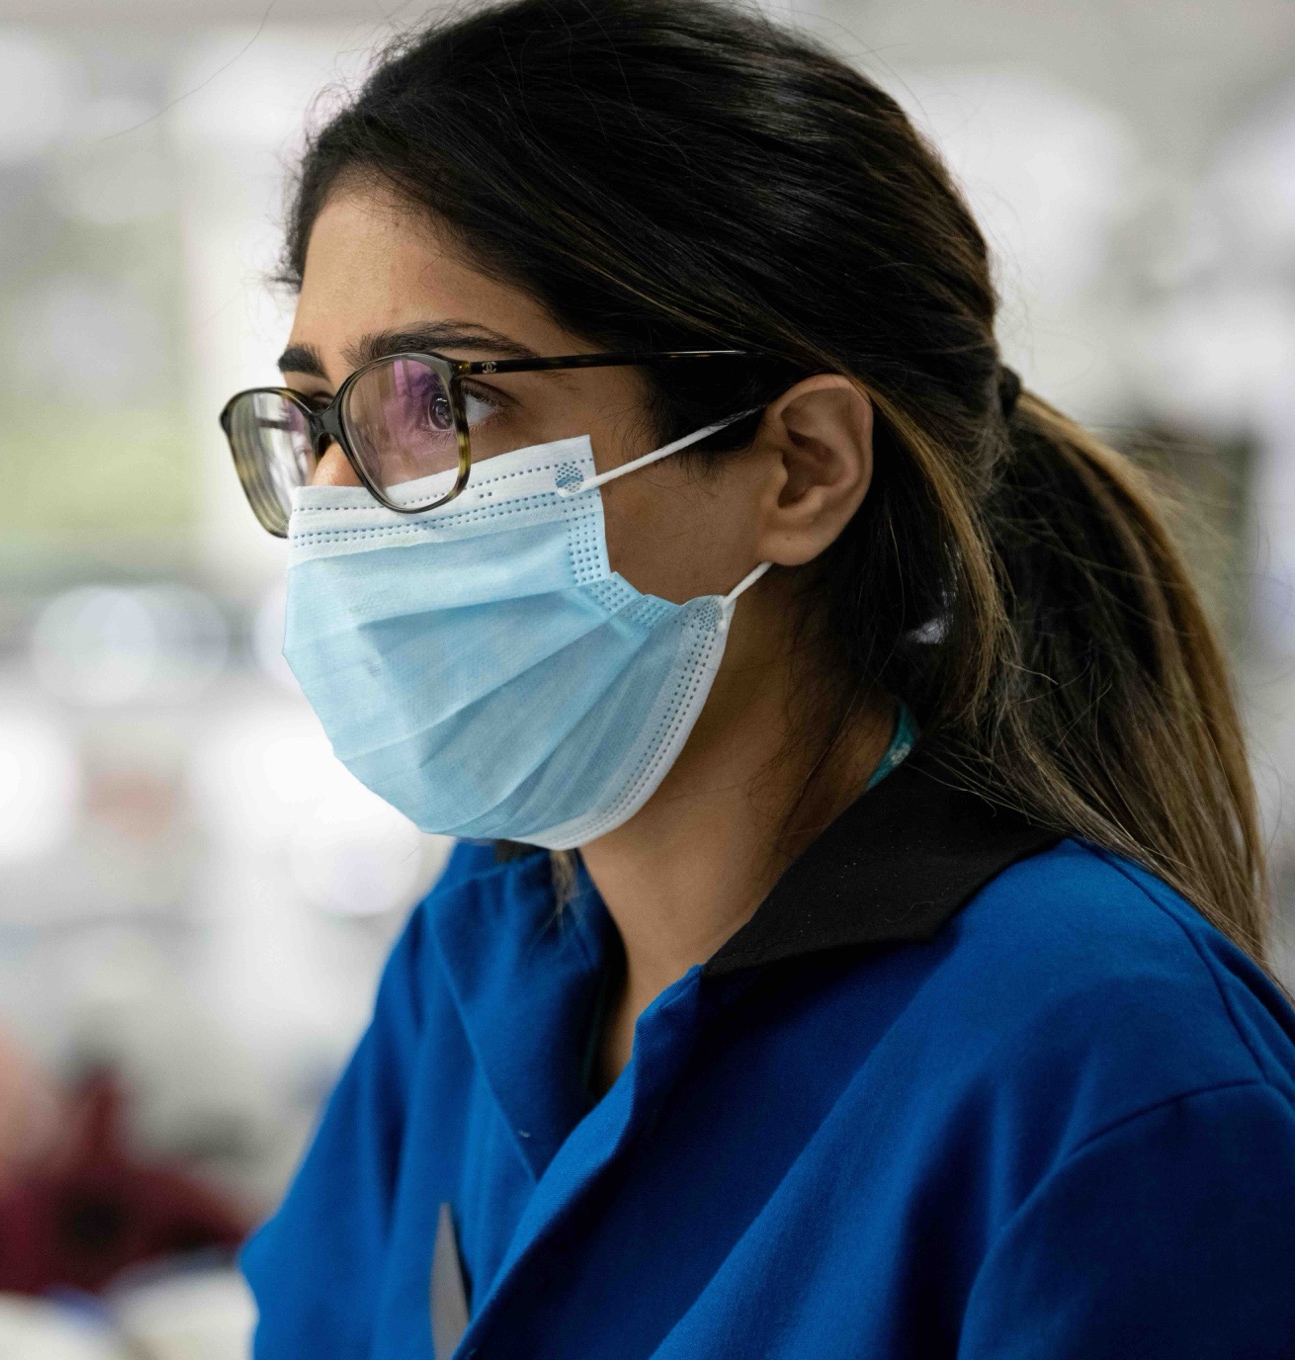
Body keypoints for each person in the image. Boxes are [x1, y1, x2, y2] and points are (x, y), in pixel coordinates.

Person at [219, 2, 1295, 1356]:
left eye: (437, 401)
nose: (337, 504)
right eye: (319, 413)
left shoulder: (1109, 1073)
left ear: (800, 469)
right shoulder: (487, 937)